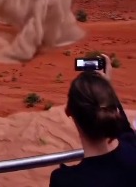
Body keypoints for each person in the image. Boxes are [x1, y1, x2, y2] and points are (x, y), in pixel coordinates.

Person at [49, 54, 136, 186]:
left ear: (68, 111)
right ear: (114, 111)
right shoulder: (132, 149)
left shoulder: (64, 181)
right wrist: (106, 87)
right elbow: (125, 131)